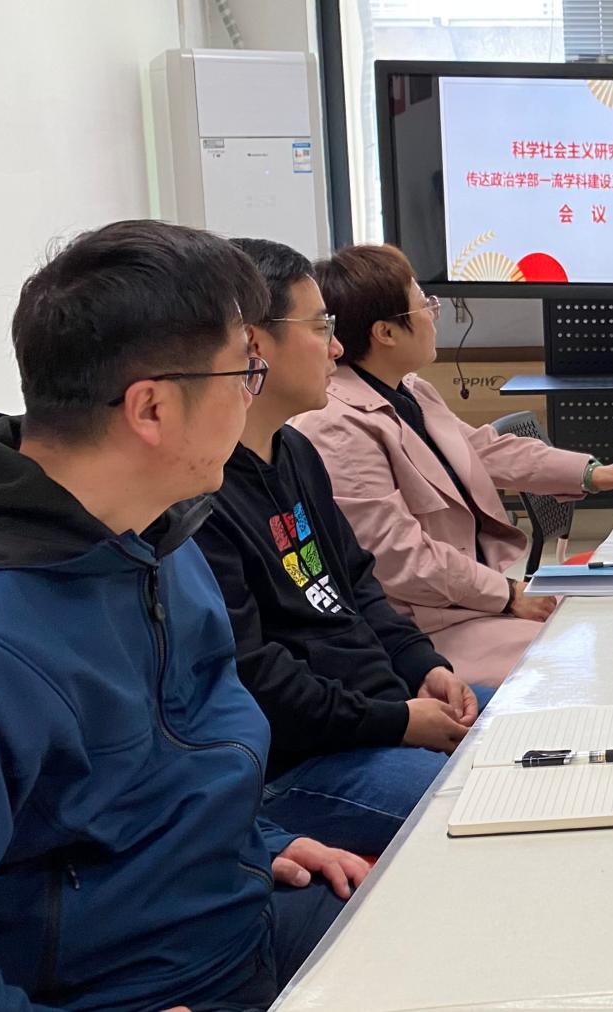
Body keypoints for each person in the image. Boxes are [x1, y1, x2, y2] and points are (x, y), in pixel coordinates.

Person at [0, 220, 369, 1010]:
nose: (252, 395)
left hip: (236, 923)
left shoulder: (159, 538)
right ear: (151, 407)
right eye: (244, 371)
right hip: (135, 989)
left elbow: (169, 760)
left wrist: (258, 839)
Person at [194, 238, 490, 857]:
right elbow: (258, 679)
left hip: (375, 712)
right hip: (303, 762)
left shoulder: (295, 451)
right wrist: (397, 721)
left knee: (530, 716)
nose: (336, 347)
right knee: (485, 797)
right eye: (320, 327)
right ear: (254, 346)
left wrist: (423, 667)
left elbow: (358, 584)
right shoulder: (200, 496)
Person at [295, 243, 613, 685]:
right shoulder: (337, 426)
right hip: (427, 629)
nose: (434, 316)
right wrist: (506, 594)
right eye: (424, 304)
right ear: (386, 332)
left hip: (472, 601)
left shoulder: (409, 389)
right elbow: (399, 558)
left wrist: (591, 473)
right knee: (592, 664)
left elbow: (484, 450)